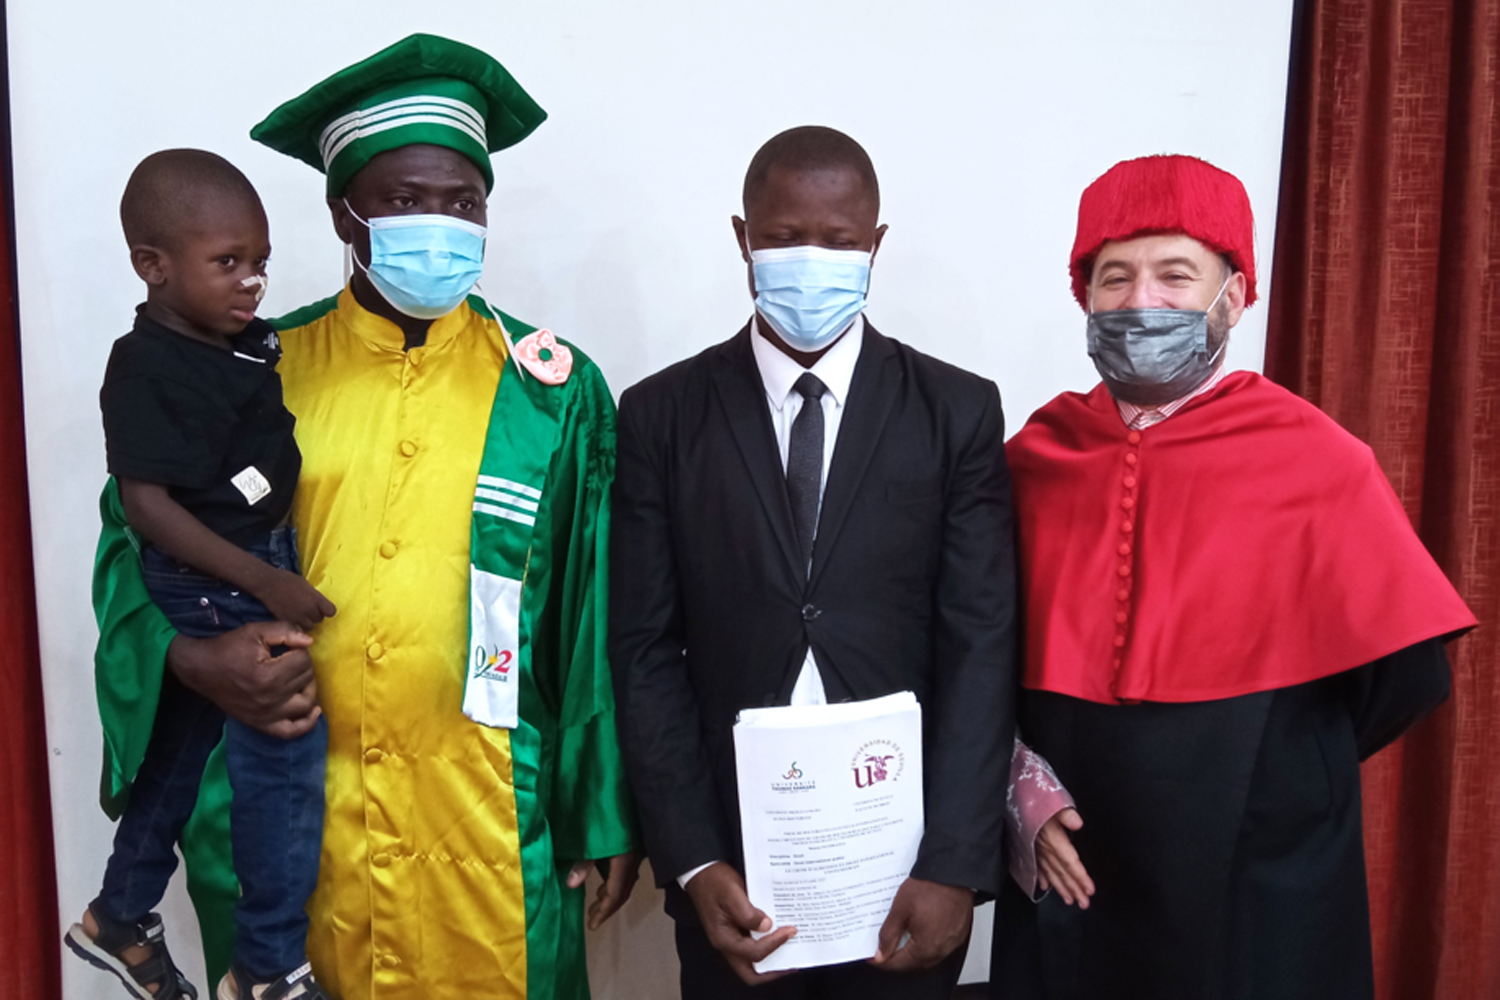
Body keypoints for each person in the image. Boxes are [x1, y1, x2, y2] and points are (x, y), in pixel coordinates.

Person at [89, 34, 639, 1000]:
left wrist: (600, 814)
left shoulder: (553, 391)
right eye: (402, 200)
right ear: (346, 213)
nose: (440, 222)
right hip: (294, 822)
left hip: (487, 821)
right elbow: (135, 550)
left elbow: (594, 619)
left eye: (462, 201)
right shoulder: (248, 367)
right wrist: (189, 660)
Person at [989, 154, 1477, 1000]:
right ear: (1086, 299)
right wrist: (1012, 787)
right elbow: (969, 654)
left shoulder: (1318, 459)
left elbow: (1404, 678)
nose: (1143, 301)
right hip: (1075, 856)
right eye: (1116, 278)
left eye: (1177, 275)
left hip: (1260, 861)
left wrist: (1273, 771)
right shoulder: (1034, 456)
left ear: (1235, 296)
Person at [610, 125, 1017, 1000]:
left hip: (904, 866)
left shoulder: (957, 412)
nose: (811, 258)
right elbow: (643, 652)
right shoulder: (658, 416)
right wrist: (691, 858)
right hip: (734, 871)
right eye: (785, 236)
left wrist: (956, 864)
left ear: (875, 246)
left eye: (838, 242)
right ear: (742, 239)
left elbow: (982, 645)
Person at [67, 149, 334, 1000]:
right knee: (284, 753)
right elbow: (146, 506)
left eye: (260, 263)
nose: (252, 282)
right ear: (152, 266)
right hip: (224, 577)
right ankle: (265, 965)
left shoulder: (235, 342)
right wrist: (268, 587)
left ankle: (119, 912)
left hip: (238, 567)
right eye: (228, 263)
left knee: (179, 756)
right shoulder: (147, 364)